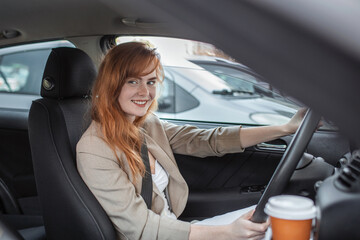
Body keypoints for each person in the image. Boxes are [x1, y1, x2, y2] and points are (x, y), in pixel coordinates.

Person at [76, 42, 306, 240]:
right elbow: (141, 228)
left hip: (176, 230)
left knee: (272, 218)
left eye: (151, 81)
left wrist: (286, 128)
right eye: (133, 81)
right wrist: (228, 232)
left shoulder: (147, 125)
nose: (145, 92)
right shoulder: (94, 149)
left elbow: (208, 140)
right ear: (112, 83)